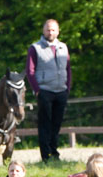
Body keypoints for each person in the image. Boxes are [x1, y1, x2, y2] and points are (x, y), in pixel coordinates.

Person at [25, 18, 71, 163]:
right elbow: (30, 71)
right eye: (48, 29)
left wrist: (67, 87)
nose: (50, 32)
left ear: (58, 31)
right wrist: (37, 90)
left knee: (57, 123)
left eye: (53, 29)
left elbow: (68, 68)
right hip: (45, 90)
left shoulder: (63, 47)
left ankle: (54, 151)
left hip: (61, 91)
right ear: (43, 30)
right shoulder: (35, 48)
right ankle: (45, 155)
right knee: (45, 123)